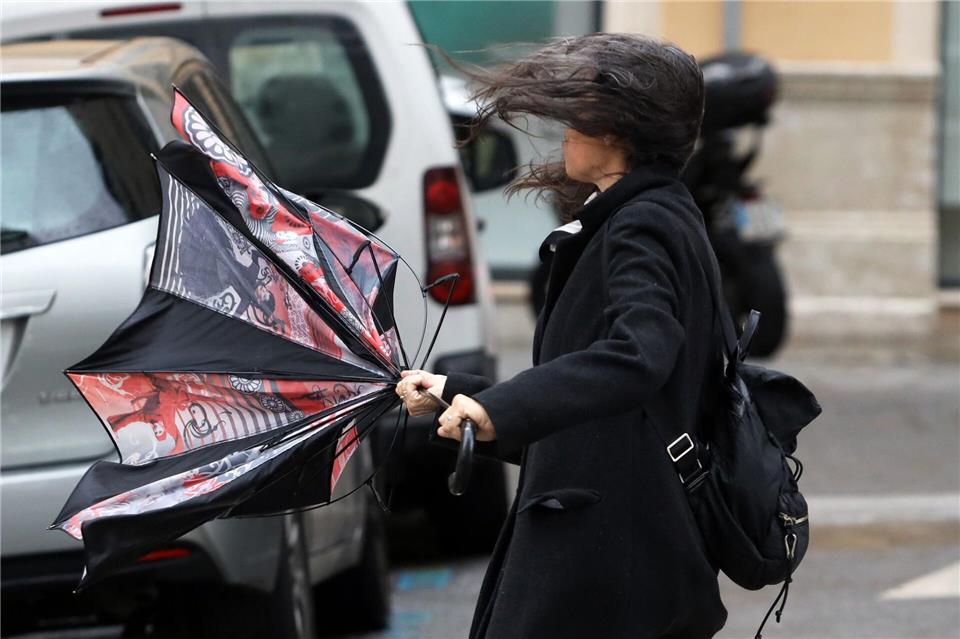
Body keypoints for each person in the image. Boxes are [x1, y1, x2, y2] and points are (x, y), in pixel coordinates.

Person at [396, 33, 727, 638]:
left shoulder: (641, 224)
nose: (567, 133)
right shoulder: (654, 214)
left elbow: (639, 355)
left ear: (618, 132)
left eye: (579, 117)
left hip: (607, 556)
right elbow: (597, 410)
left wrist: (499, 409)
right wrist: (457, 395)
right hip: (616, 544)